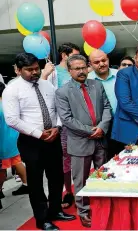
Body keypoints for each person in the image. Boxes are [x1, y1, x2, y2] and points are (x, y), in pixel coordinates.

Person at [2, 53, 75, 230]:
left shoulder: (46, 85)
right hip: (31, 141)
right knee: (36, 182)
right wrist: (38, 133)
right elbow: (12, 119)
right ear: (18, 70)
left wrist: (57, 127)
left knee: (56, 177)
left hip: (53, 138)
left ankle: (56, 210)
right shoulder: (12, 90)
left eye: (37, 68)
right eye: (29, 70)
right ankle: (42, 219)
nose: (34, 72)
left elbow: (57, 109)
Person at [55, 54, 112, 228]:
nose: (81, 71)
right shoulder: (62, 92)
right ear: (69, 70)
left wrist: (102, 127)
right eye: (76, 68)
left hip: (101, 139)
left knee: (103, 176)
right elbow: (67, 119)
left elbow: (107, 107)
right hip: (80, 142)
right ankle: (84, 211)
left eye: (83, 67)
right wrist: (90, 131)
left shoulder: (97, 85)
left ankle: (103, 206)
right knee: (80, 180)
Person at [41, 42, 81, 209]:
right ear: (64, 55)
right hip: (62, 123)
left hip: (80, 121)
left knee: (80, 157)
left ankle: (81, 190)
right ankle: (68, 191)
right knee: (65, 159)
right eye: (74, 55)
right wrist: (44, 75)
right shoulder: (54, 72)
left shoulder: (79, 71)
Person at [87, 50, 119, 159]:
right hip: (101, 127)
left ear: (108, 59)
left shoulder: (120, 75)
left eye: (104, 60)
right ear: (90, 64)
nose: (101, 64)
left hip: (122, 123)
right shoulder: (87, 80)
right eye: (96, 62)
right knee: (106, 161)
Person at [0, 82, 28, 196]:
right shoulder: (8, 104)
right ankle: (26, 184)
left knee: (2, 167)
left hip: (3, 141)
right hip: (14, 138)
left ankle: (0, 190)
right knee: (17, 162)